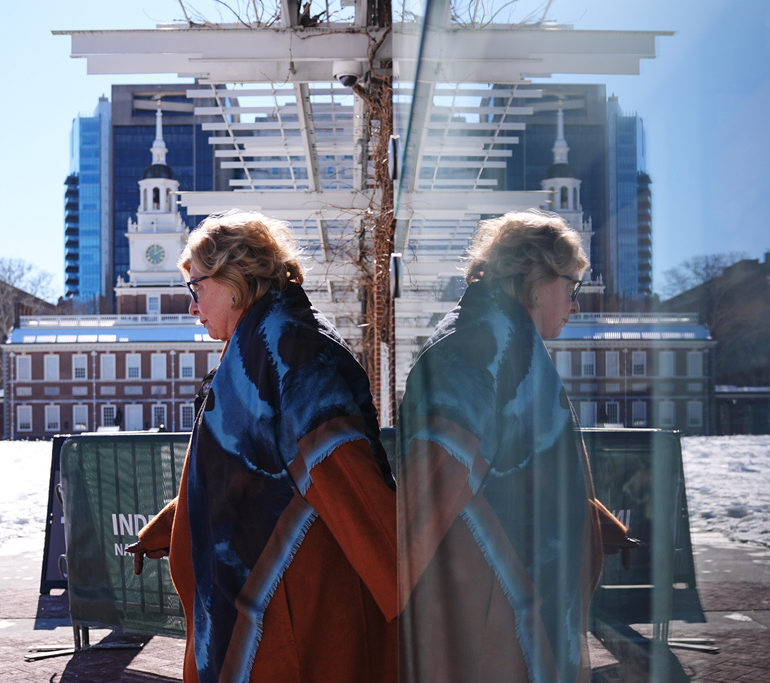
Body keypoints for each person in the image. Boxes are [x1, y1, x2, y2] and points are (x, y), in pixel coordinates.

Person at [126, 210, 398, 683]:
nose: (192, 306)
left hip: (287, 614)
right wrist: (173, 525)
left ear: (233, 280)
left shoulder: (287, 346)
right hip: (260, 605)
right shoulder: (257, 346)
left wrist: (412, 588)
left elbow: (341, 467)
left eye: (197, 287)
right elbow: (246, 469)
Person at [397, 210, 629, 683]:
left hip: (516, 607)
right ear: (534, 277)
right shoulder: (478, 344)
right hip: (496, 623)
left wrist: (584, 515)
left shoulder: (501, 337)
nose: (575, 306)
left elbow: (507, 463)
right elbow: (431, 490)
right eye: (572, 288)